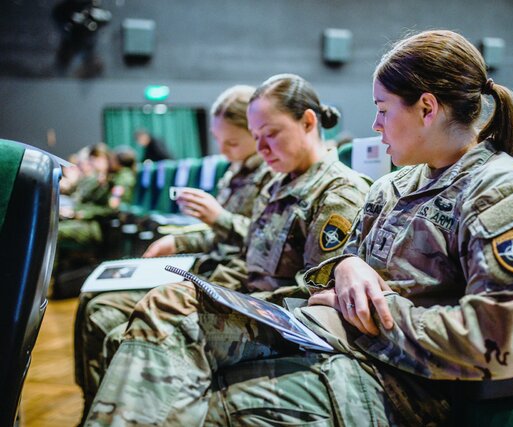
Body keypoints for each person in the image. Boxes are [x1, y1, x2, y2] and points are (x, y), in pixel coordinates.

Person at [87, 31, 513, 425]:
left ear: (427, 108)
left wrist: (367, 313)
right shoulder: (393, 186)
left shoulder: (502, 194)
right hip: (333, 339)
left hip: (407, 383)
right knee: (169, 318)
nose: (374, 124)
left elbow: (497, 343)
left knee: (214, 407)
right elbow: (332, 269)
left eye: (383, 108)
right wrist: (349, 265)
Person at [81, 76, 370, 424]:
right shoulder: (279, 182)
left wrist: (228, 297)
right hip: (251, 299)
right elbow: (249, 250)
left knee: (162, 314)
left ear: (308, 122)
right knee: (123, 330)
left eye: (271, 134)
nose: (261, 149)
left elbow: (315, 296)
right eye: (256, 137)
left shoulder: (340, 191)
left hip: (285, 319)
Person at [74, 85, 275, 422]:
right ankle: (92, 407)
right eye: (219, 141)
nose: (224, 152)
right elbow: (216, 234)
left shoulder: (271, 173)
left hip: (230, 279)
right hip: (209, 267)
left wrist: (217, 218)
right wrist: (179, 242)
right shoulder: (235, 171)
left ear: (255, 133)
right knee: (93, 300)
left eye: (233, 142)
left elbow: (263, 242)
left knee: (105, 317)